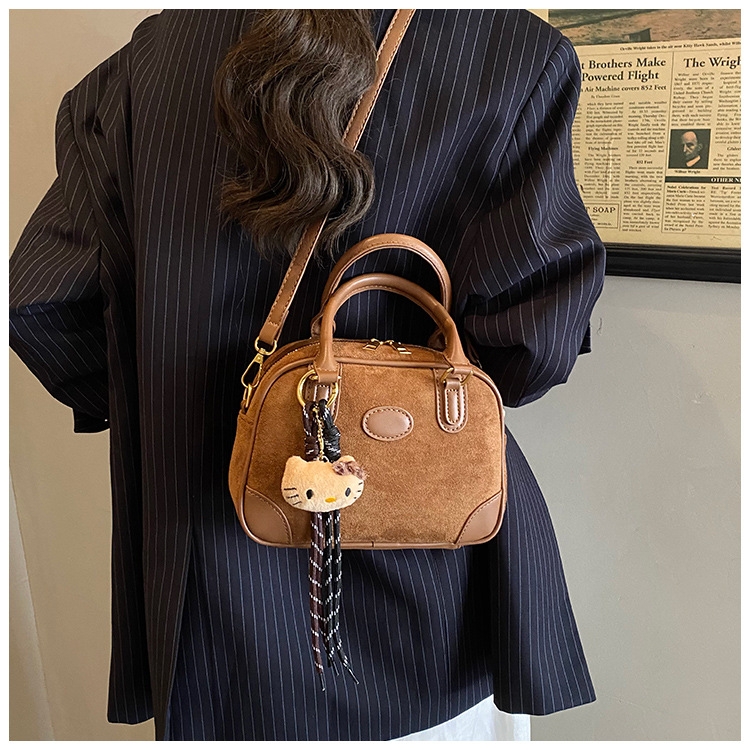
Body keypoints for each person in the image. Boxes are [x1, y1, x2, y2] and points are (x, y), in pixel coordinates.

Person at [9, 10, 605, 741]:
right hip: (429, 579)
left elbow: (42, 302)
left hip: (208, 589)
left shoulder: (149, 59)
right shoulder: (510, 50)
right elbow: (531, 345)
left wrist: (182, 413)